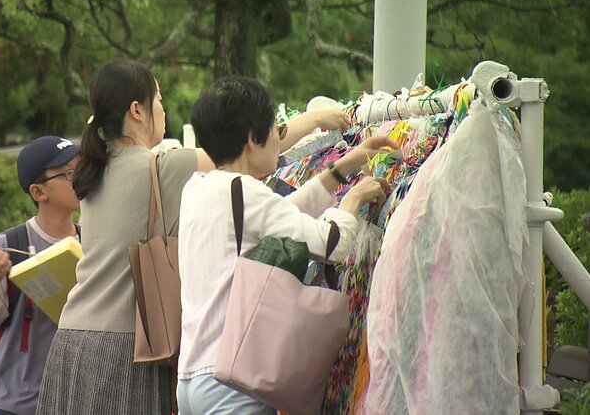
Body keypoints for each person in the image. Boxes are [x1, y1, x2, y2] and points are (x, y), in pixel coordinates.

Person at [35, 59, 350, 414]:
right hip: (125, 349)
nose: (163, 109)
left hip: (72, 339)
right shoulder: (162, 167)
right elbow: (241, 149)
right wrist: (316, 120)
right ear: (136, 110)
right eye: (158, 99)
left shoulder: (96, 169)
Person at [176, 76, 397, 414]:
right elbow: (331, 245)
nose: (278, 145)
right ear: (252, 139)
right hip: (232, 383)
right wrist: (350, 202)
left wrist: (340, 170)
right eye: (274, 133)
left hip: (192, 380)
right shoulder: (245, 192)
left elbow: (282, 214)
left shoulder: (199, 187)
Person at [0, 135, 82, 415]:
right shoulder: (9, 244)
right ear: (38, 192)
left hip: (71, 400)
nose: (80, 178)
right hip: (12, 401)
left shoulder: (92, 242)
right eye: (69, 173)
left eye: (82, 168)